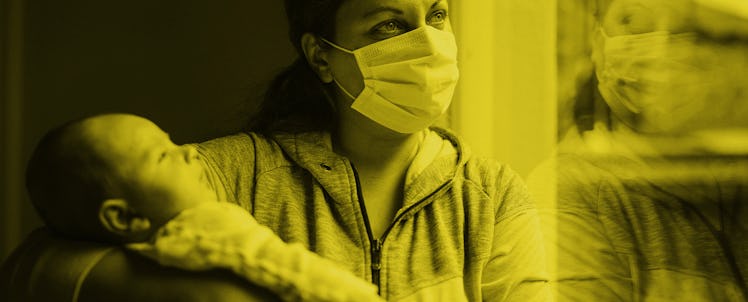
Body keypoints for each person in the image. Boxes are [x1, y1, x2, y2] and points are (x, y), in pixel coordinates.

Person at [1, 0, 551, 301]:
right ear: (321, 56)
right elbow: (36, 266)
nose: (428, 44)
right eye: (390, 25)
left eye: (435, 15)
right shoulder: (224, 175)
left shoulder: (491, 197)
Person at [23, 113, 385, 302]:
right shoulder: (206, 227)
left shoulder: (156, 252)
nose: (190, 151)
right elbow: (289, 270)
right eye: (164, 155)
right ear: (124, 217)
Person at [529, 0, 748, 301]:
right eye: (632, 21)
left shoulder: (729, 180)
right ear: (597, 41)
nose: (659, 47)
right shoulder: (577, 194)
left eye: (689, 25)